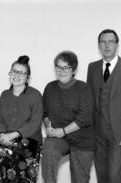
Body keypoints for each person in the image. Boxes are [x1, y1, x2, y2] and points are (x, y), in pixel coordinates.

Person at [0, 55, 43, 183]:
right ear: (10, 73)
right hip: (5, 136)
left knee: (12, 154)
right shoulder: (5, 94)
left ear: (27, 77)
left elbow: (35, 122)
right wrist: (2, 135)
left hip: (28, 139)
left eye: (21, 73)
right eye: (14, 71)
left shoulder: (35, 95)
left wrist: (14, 135)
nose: (16, 75)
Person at [86, 29, 121, 183]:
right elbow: (90, 101)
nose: (107, 45)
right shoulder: (92, 67)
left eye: (111, 42)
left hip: (119, 134)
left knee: (115, 177)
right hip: (97, 134)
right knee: (101, 176)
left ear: (117, 45)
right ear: (99, 45)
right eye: (103, 42)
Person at [42, 51, 95, 183]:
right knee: (48, 153)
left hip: (82, 139)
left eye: (66, 67)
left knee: (80, 178)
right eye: (58, 67)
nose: (61, 71)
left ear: (74, 69)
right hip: (58, 137)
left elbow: (85, 116)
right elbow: (45, 113)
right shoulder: (50, 87)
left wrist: (64, 131)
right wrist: (48, 126)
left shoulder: (83, 88)